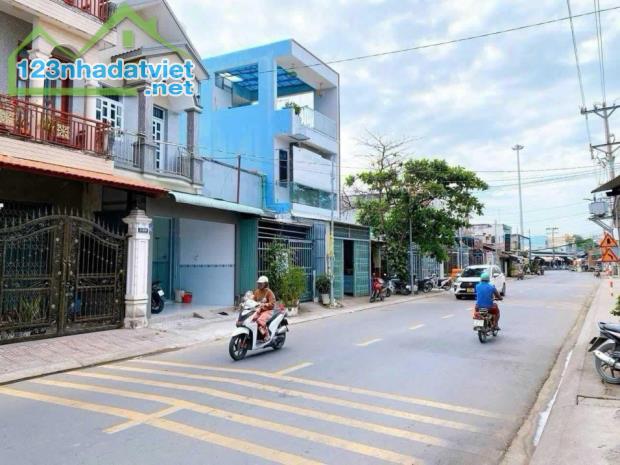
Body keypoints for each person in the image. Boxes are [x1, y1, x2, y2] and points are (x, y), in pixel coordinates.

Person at [252, 275, 276, 341]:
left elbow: (272, 303)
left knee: (260, 321)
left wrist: (265, 304)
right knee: (252, 319)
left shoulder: (269, 292)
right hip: (259, 310)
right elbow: (253, 300)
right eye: (258, 283)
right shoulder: (257, 291)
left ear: (265, 284)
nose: (259, 285)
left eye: (261, 283)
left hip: (268, 311)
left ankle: (267, 335)